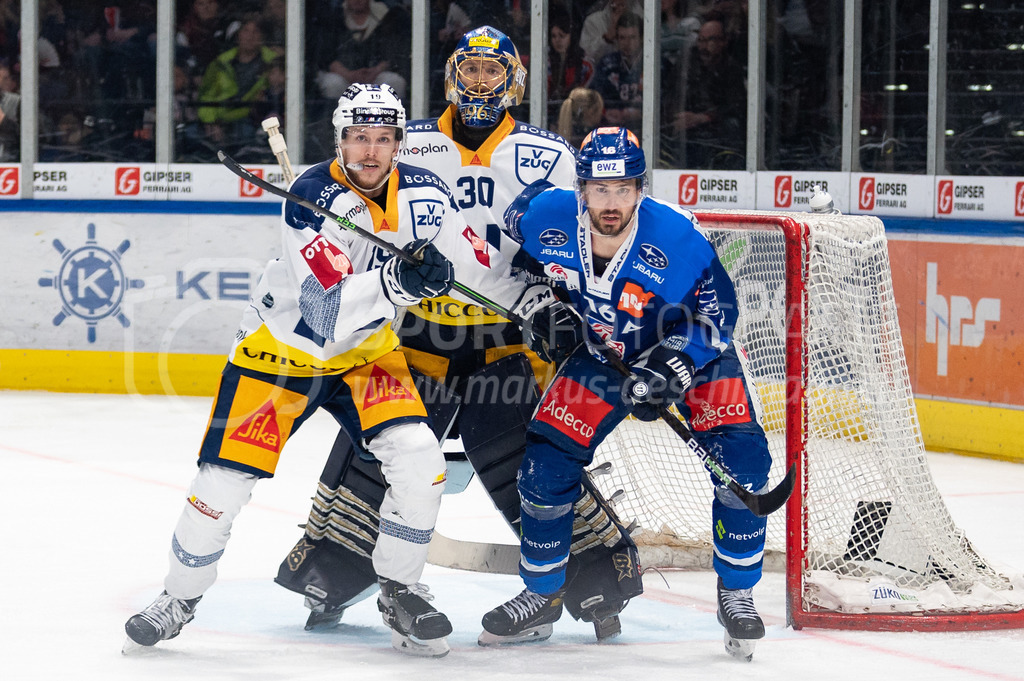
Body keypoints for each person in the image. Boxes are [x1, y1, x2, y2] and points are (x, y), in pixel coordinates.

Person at [123, 82, 543, 659]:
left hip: (366, 357)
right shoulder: (309, 195)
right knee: (222, 484)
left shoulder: (428, 194)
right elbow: (322, 311)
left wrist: (532, 305)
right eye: (358, 137)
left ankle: (401, 588)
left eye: (383, 138)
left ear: (400, 143)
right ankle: (178, 597)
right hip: (279, 354)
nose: (370, 151)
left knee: (420, 461)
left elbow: (475, 266)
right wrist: (397, 283)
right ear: (340, 140)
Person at [275, 24, 581, 632]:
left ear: (514, 81)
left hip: (507, 333)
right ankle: (331, 576)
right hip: (419, 333)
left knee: (529, 458)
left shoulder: (550, 155)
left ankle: (587, 582)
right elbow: (347, 183)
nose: (479, 83)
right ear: (450, 76)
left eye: (492, 72)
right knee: (377, 453)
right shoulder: (406, 141)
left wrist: (556, 306)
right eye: (468, 70)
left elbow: (564, 245)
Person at [478, 127, 772, 659]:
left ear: (640, 189)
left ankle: (738, 594)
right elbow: (512, 246)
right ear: (581, 188)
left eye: (623, 189)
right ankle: (542, 594)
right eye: (599, 188)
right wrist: (544, 307)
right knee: (544, 464)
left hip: (690, 358)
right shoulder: (546, 217)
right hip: (604, 356)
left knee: (745, 463)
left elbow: (718, 315)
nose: (610, 202)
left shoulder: (679, 238)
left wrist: (673, 367)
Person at [664, 13, 747, 168]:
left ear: (723, 41)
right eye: (701, 40)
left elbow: (736, 105)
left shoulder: (732, 67)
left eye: (710, 40)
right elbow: (670, 95)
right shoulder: (687, 62)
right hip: (687, 127)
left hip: (717, 129)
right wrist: (679, 115)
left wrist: (704, 117)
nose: (703, 46)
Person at [313, 0, 410, 101]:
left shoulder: (386, 15)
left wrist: (375, 72)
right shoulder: (334, 16)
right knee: (332, 84)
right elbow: (326, 55)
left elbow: (392, 53)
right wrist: (349, 75)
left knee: (394, 82)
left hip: (375, 75)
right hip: (342, 75)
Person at [589, 12, 643, 132]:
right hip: (611, 130)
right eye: (622, 38)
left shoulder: (655, 64)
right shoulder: (607, 63)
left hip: (646, 130)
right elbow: (595, 97)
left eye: (632, 37)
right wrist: (606, 112)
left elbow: (664, 103)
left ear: (642, 37)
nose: (627, 43)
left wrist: (642, 112)